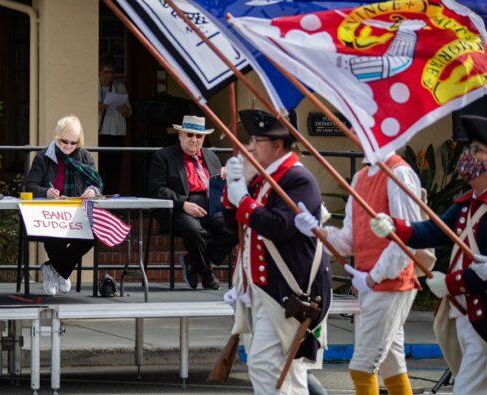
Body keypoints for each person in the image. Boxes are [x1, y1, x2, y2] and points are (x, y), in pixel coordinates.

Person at [369, 115, 487, 394]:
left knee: (468, 389)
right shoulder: (466, 204)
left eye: (477, 149)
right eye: (468, 148)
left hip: (480, 311)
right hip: (466, 312)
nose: (468, 156)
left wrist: (448, 283)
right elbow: (433, 231)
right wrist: (394, 227)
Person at [295, 149, 428, 395]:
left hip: (391, 283)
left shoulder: (400, 174)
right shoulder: (361, 177)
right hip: (372, 284)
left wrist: (371, 277)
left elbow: (405, 240)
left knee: (362, 367)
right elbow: (349, 240)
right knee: (392, 365)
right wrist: (316, 231)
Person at [222, 109, 332, 394]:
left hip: (289, 293)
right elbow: (230, 225)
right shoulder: (265, 179)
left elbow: (281, 226)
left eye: (258, 139)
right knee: (269, 368)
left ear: (279, 144)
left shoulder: (297, 179)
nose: (250, 146)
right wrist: (235, 187)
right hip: (264, 293)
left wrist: (243, 200)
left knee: (273, 368)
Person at [149, 115, 237, 290]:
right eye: (189, 135)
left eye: (199, 136)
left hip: (210, 207)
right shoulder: (163, 156)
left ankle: (193, 262)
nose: (194, 140)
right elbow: (157, 190)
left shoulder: (211, 156)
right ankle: (206, 273)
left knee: (234, 227)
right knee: (194, 229)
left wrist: (227, 176)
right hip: (180, 209)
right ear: (180, 135)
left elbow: (220, 187)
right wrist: (183, 204)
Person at [25, 115, 103, 296]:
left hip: (76, 213)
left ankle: (54, 269)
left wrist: (92, 190)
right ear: (57, 137)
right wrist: (46, 192)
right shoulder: (44, 157)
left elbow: (97, 184)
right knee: (54, 236)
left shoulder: (84, 156)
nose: (68, 146)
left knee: (92, 234)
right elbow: (30, 186)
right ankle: (60, 270)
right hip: (50, 214)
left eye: (73, 142)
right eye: (64, 141)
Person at [98, 55, 131, 193]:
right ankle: (98, 195)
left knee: (115, 169)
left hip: (117, 132)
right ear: (99, 72)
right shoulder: (93, 86)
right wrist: (99, 106)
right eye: (106, 72)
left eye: (112, 72)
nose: (109, 75)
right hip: (100, 132)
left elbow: (129, 112)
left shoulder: (119, 86)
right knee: (100, 167)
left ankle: (112, 198)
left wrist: (124, 109)